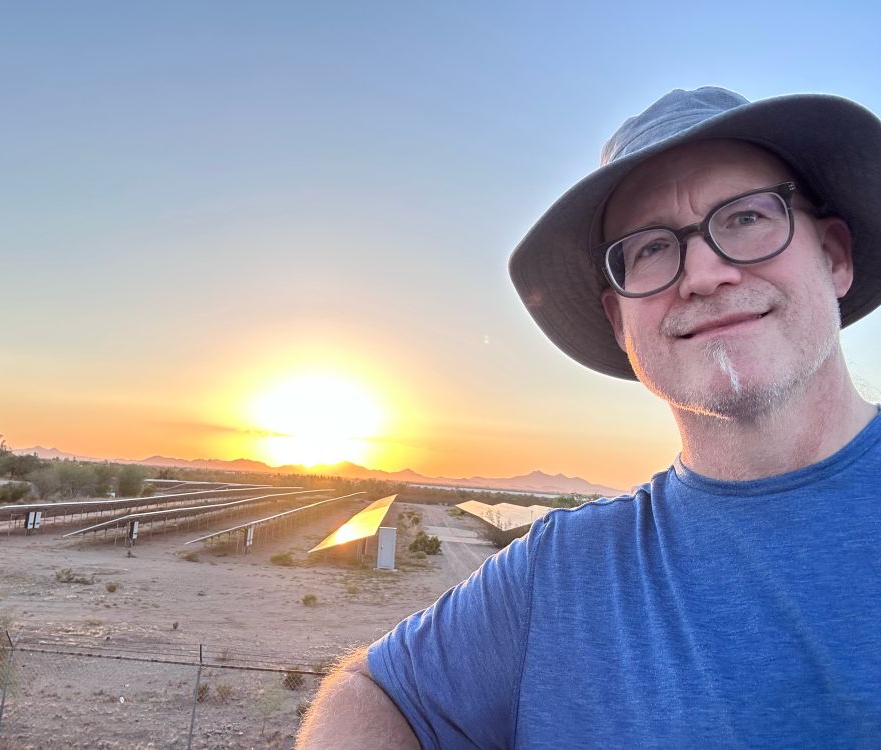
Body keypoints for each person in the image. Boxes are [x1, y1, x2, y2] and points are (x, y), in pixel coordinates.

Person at [295, 87, 881, 748]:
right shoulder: (563, 572)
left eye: (746, 217)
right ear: (619, 322)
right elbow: (370, 694)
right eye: (652, 249)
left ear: (834, 255)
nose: (705, 272)